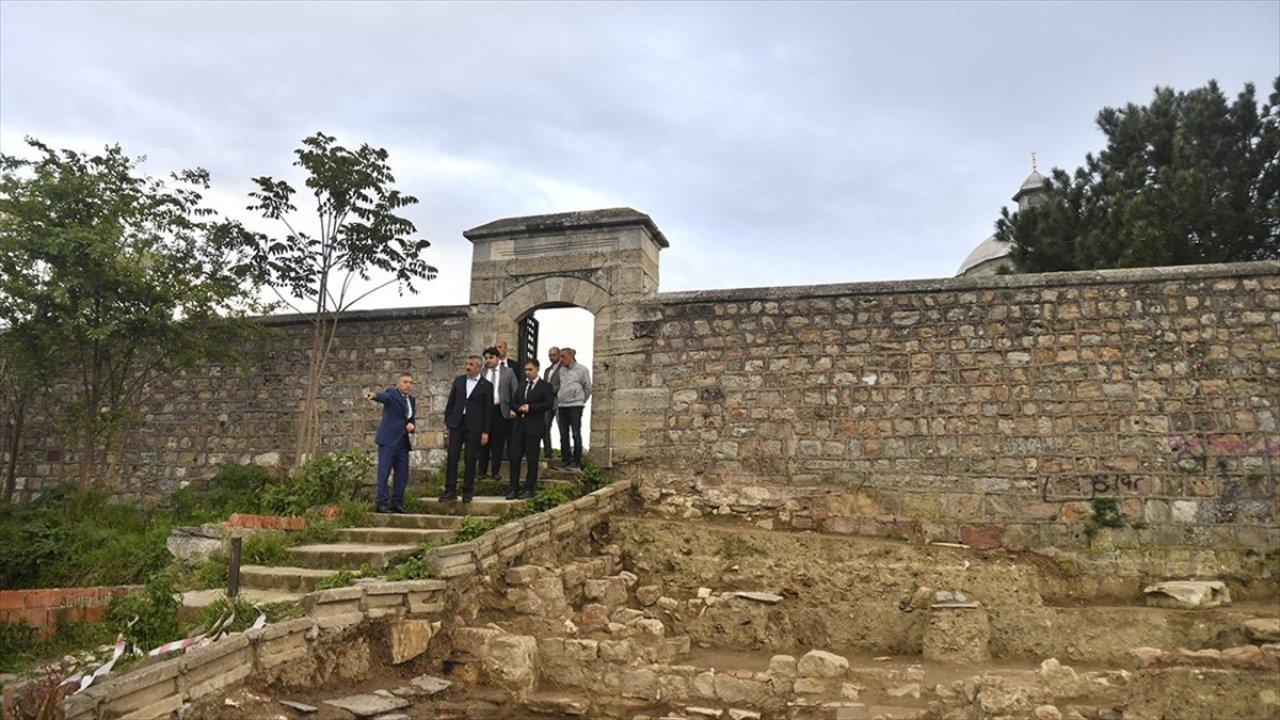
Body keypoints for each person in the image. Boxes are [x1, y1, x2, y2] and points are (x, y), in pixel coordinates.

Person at [363, 373, 416, 513]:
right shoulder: (392, 394)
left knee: (402, 474)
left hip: (403, 442)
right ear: (398, 384)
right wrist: (374, 395)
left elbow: (410, 419)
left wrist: (412, 426)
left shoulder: (411, 400)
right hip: (388, 440)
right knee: (384, 472)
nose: (408, 385)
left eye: (410, 383)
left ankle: (397, 504)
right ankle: (381, 504)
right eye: (405, 382)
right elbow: (383, 397)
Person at [442, 356, 492, 502]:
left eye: (471, 364)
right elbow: (451, 403)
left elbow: (488, 411)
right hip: (457, 423)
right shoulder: (459, 381)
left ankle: (467, 492)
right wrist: (447, 423)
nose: (467, 367)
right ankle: (450, 491)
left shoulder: (486, 385)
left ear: (478, 367)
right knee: (452, 457)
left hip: (475, 426)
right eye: (466, 364)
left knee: (470, 459)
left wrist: (485, 431)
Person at [507, 359, 555, 499]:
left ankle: (529, 489)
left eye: (530, 369)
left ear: (537, 369)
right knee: (514, 458)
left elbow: (548, 404)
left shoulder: (545, 386)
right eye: (526, 370)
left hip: (534, 427)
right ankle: (513, 489)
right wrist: (518, 408)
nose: (527, 372)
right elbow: (513, 402)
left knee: (532, 459)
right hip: (519, 427)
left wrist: (531, 408)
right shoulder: (522, 386)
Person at [477, 346, 518, 480]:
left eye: (491, 357)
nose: (488, 360)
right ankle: (481, 472)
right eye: (486, 358)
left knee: (498, 442)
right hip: (484, 411)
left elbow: (515, 392)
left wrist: (513, 409)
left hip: (500, 410)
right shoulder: (482, 373)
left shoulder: (508, 372)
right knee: (483, 442)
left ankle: (495, 472)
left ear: (498, 358)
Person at [556, 347, 591, 468]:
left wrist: (580, 399)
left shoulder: (582, 370)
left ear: (571, 356)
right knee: (563, 434)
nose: (561, 359)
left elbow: (588, 387)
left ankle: (577, 461)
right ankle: (565, 460)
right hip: (562, 405)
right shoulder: (561, 370)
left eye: (563, 356)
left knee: (575, 433)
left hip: (575, 405)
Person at [541, 347, 562, 459]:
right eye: (550, 355)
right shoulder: (547, 370)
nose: (551, 357)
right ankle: (548, 454)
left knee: (562, 428)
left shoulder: (564, 369)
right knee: (544, 428)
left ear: (559, 355)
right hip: (547, 403)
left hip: (559, 402)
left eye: (554, 355)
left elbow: (563, 385)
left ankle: (565, 456)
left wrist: (549, 390)